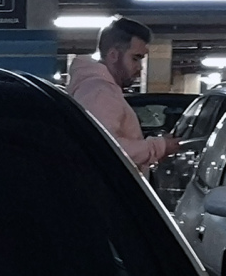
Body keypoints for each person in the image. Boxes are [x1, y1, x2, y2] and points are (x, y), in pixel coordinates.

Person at [66, 17, 176, 172]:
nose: (140, 68)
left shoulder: (96, 88)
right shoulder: (100, 91)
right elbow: (106, 147)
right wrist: (160, 146)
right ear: (113, 55)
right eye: (135, 58)